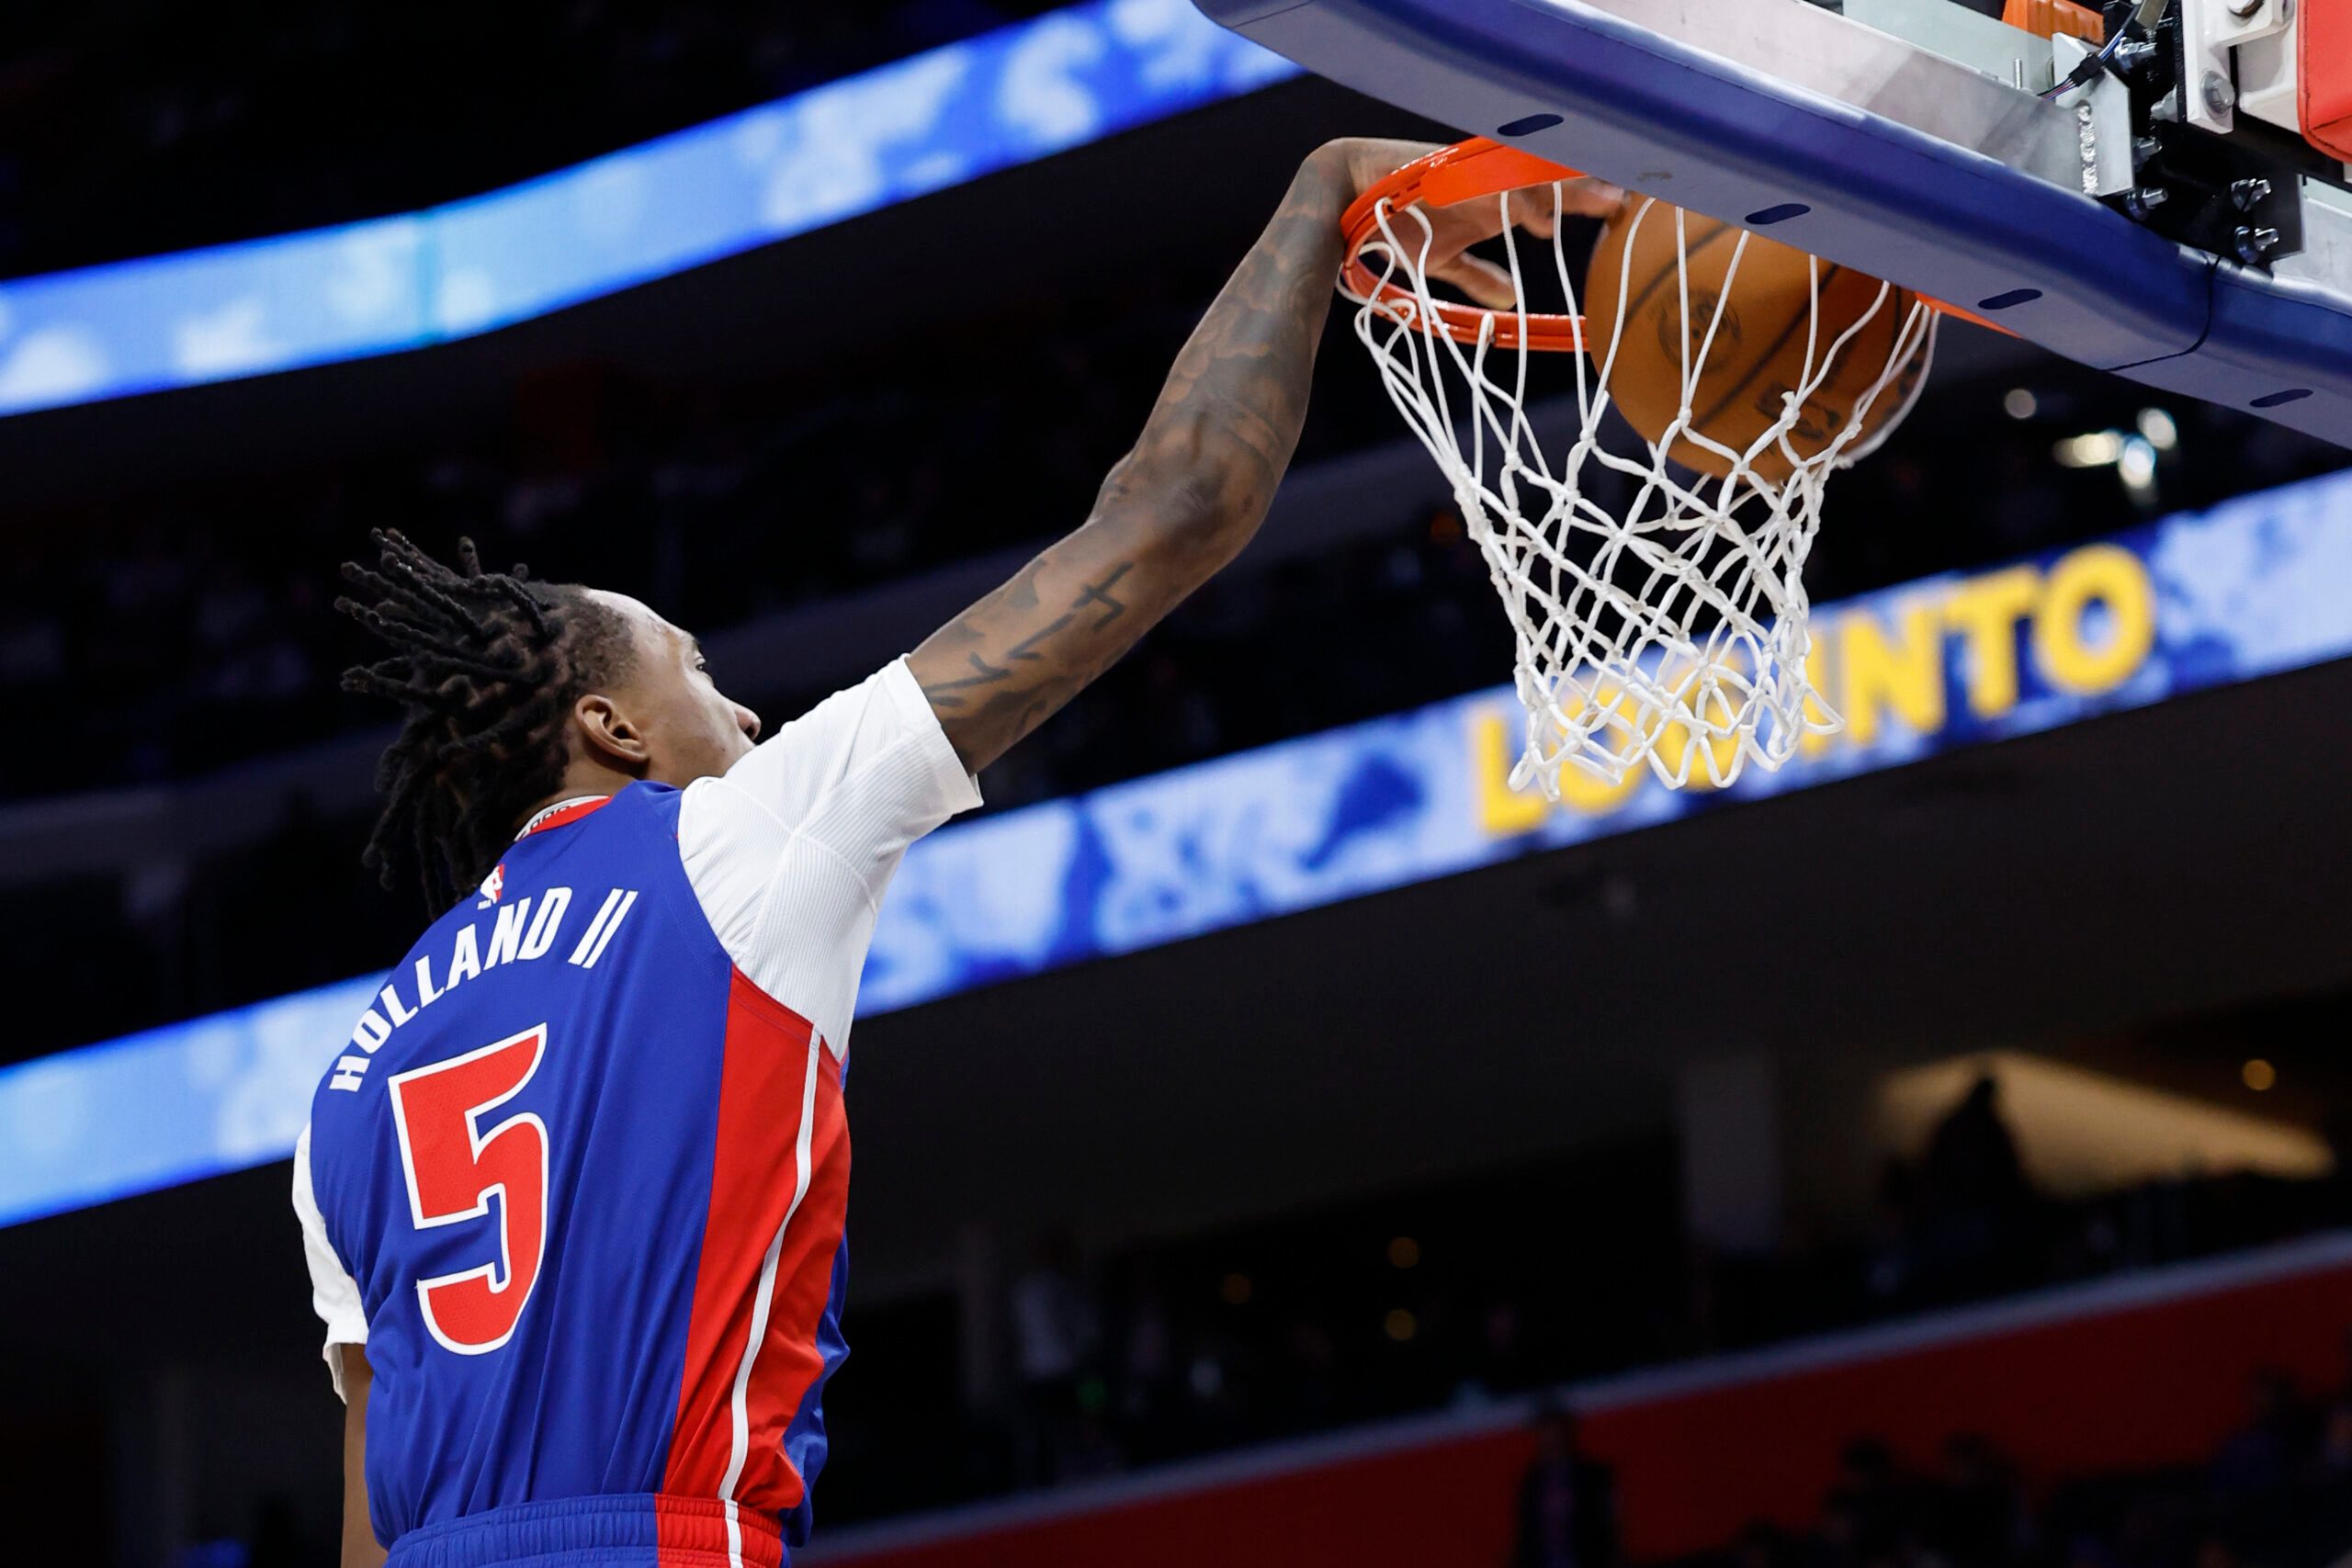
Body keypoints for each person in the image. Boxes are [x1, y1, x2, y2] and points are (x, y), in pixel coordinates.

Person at [292, 140, 1619, 1568]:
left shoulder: (349, 1081)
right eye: (692, 665)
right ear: (610, 725)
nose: (741, 706)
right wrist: (1320, 193)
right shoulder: (739, 837)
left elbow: (368, 1533)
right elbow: (1174, 510)